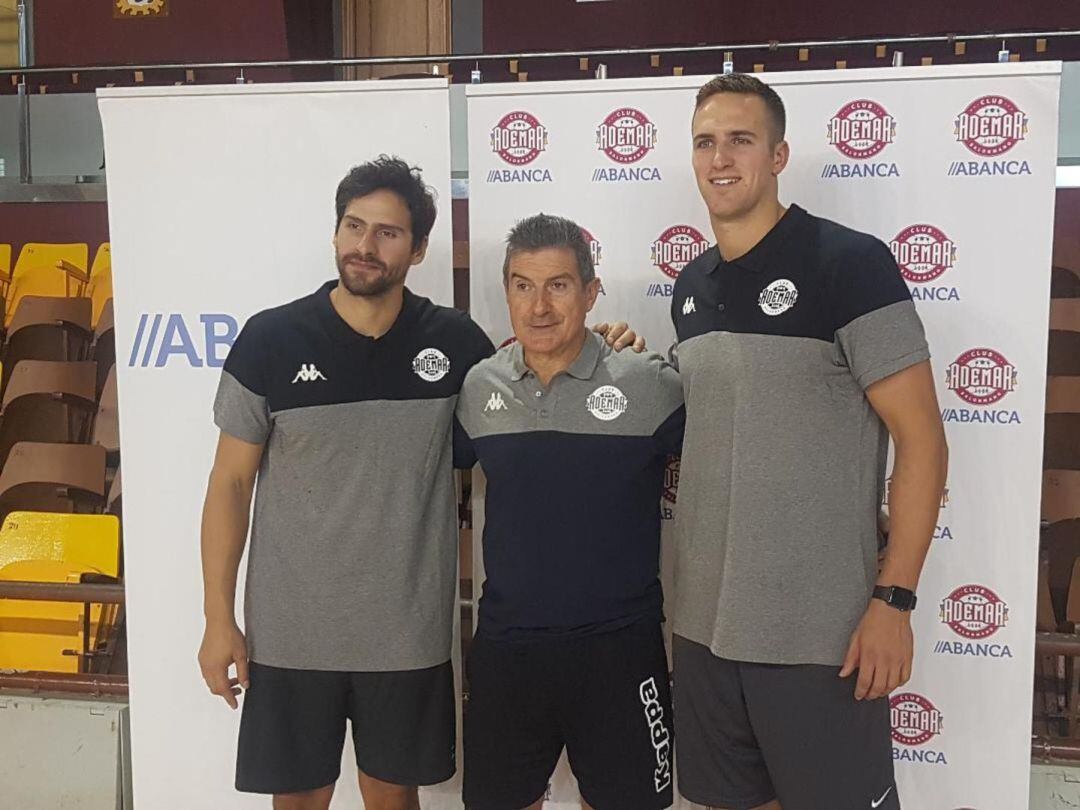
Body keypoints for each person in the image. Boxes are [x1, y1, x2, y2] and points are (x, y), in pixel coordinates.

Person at [198, 157, 642, 810]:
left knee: (392, 796)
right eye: (354, 226)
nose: (365, 246)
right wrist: (217, 618)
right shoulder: (271, 339)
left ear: (419, 247)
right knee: (297, 801)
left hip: (407, 637)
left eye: (387, 233)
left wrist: (603, 348)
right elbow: (230, 485)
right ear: (335, 232)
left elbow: (539, 383)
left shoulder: (457, 345)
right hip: (291, 636)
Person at [669, 74, 949, 810]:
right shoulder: (690, 287)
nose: (720, 157)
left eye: (740, 139)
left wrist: (894, 600)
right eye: (705, 141)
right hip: (702, 632)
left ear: (779, 153)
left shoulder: (849, 265)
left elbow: (922, 441)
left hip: (818, 636)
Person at [454, 213, 685, 810]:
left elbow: (728, 479)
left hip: (619, 649)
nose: (538, 306)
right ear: (505, 290)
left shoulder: (651, 384)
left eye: (558, 285)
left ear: (589, 292)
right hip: (509, 650)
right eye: (522, 285)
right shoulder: (478, 389)